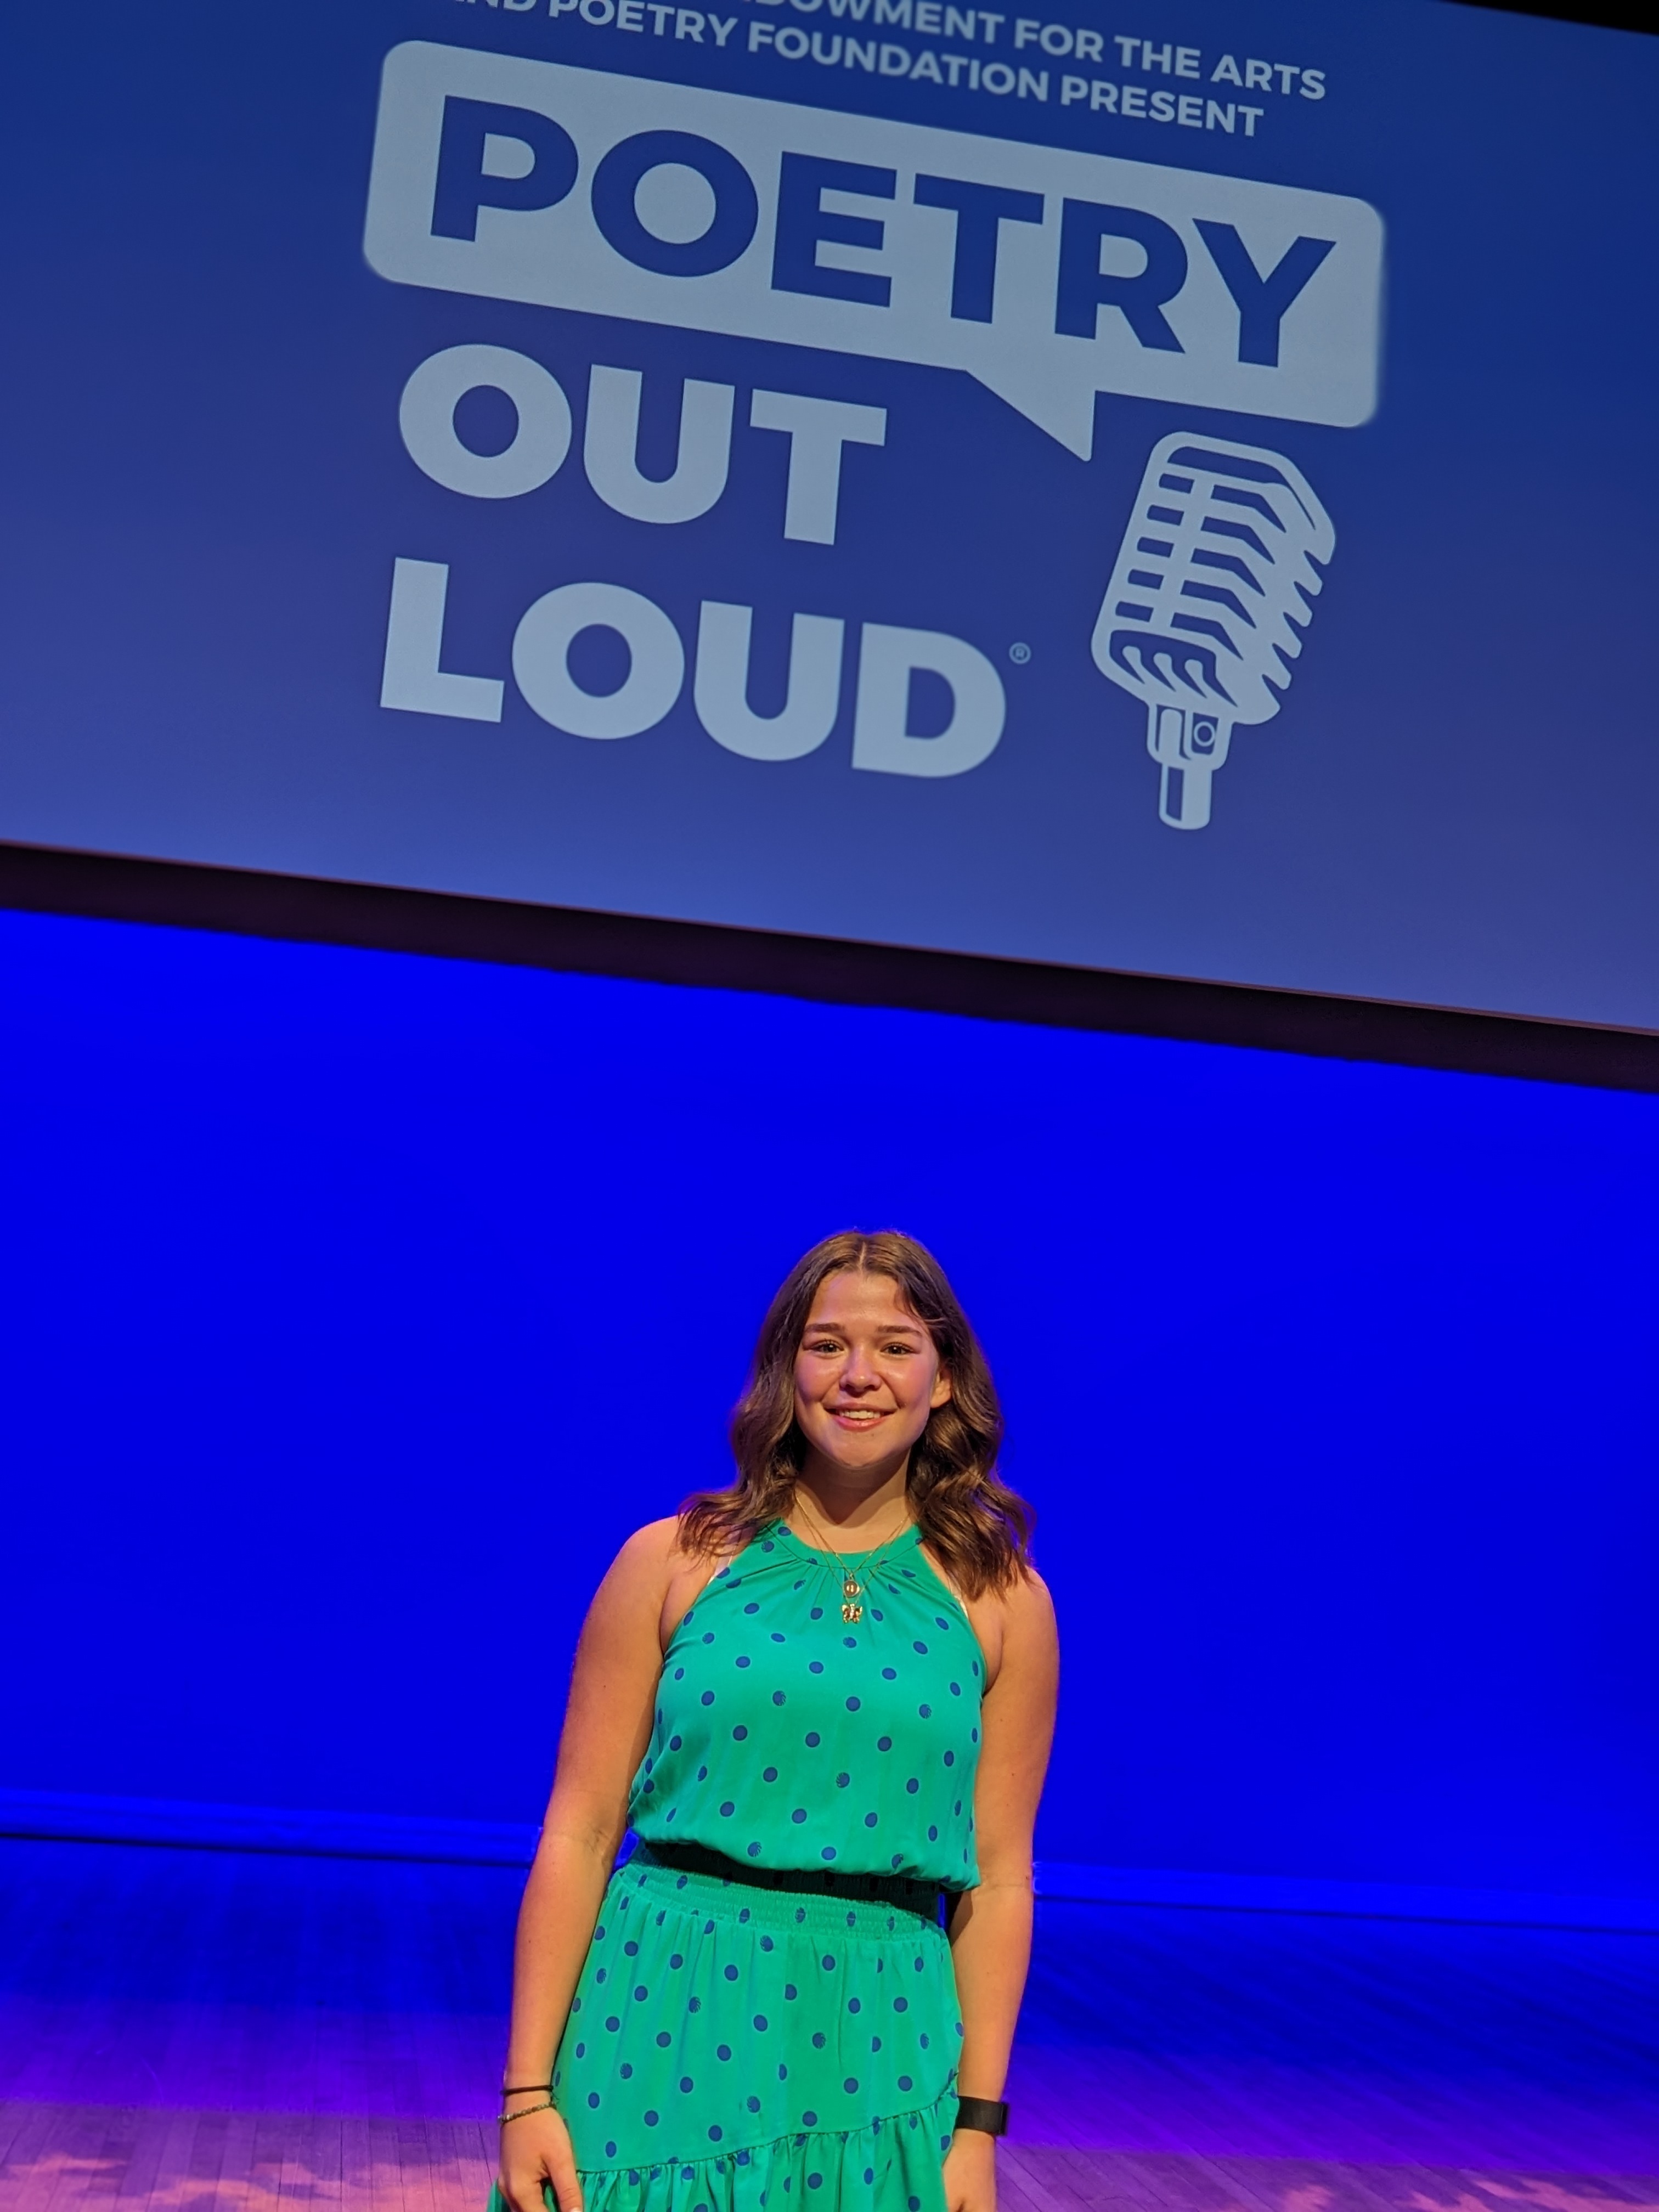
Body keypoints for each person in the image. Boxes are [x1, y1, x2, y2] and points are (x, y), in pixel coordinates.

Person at [493, 1230, 1059, 2212]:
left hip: (883, 2046)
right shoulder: (671, 1562)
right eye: (826, 1344)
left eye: (894, 1345)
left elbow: (1000, 1878)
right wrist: (526, 2094)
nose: (858, 1375)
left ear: (945, 1383)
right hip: (657, 2020)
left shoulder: (1001, 1598)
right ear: (783, 1372)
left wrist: (977, 2127)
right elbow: (580, 1834)